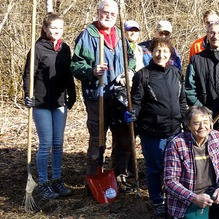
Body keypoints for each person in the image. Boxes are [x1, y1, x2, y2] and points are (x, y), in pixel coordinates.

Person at [70, 0, 136, 193]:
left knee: (123, 138)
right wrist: (92, 70)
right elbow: (76, 65)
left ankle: (119, 177)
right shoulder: (87, 36)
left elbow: (130, 59)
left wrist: (129, 73)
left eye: (112, 14)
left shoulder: (120, 37)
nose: (108, 16)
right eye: (105, 12)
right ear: (98, 12)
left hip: (118, 96)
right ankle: (93, 177)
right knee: (97, 138)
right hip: (96, 97)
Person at [126, 37, 188, 217]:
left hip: (175, 130)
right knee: (154, 168)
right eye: (158, 51)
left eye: (165, 52)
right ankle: (157, 200)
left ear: (170, 54)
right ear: (151, 53)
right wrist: (133, 113)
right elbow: (136, 101)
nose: (161, 55)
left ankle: (173, 197)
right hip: (152, 132)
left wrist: (185, 120)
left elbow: (182, 100)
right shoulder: (143, 75)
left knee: (174, 168)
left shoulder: (175, 73)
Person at [22, 13, 76, 200]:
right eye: (53, 28)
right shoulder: (37, 48)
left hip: (59, 101)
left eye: (60, 28)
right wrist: (28, 95)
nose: (56, 31)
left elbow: (68, 74)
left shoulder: (65, 48)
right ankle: (43, 182)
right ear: (45, 28)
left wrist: (72, 92)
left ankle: (57, 179)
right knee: (46, 143)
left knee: (58, 143)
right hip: (41, 101)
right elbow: (29, 74)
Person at [164, 106, 219, 218]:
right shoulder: (177, 144)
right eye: (196, 123)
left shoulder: (216, 136)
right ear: (188, 126)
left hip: (213, 191)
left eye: (205, 122)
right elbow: (170, 181)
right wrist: (194, 198)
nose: (202, 127)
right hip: (190, 198)